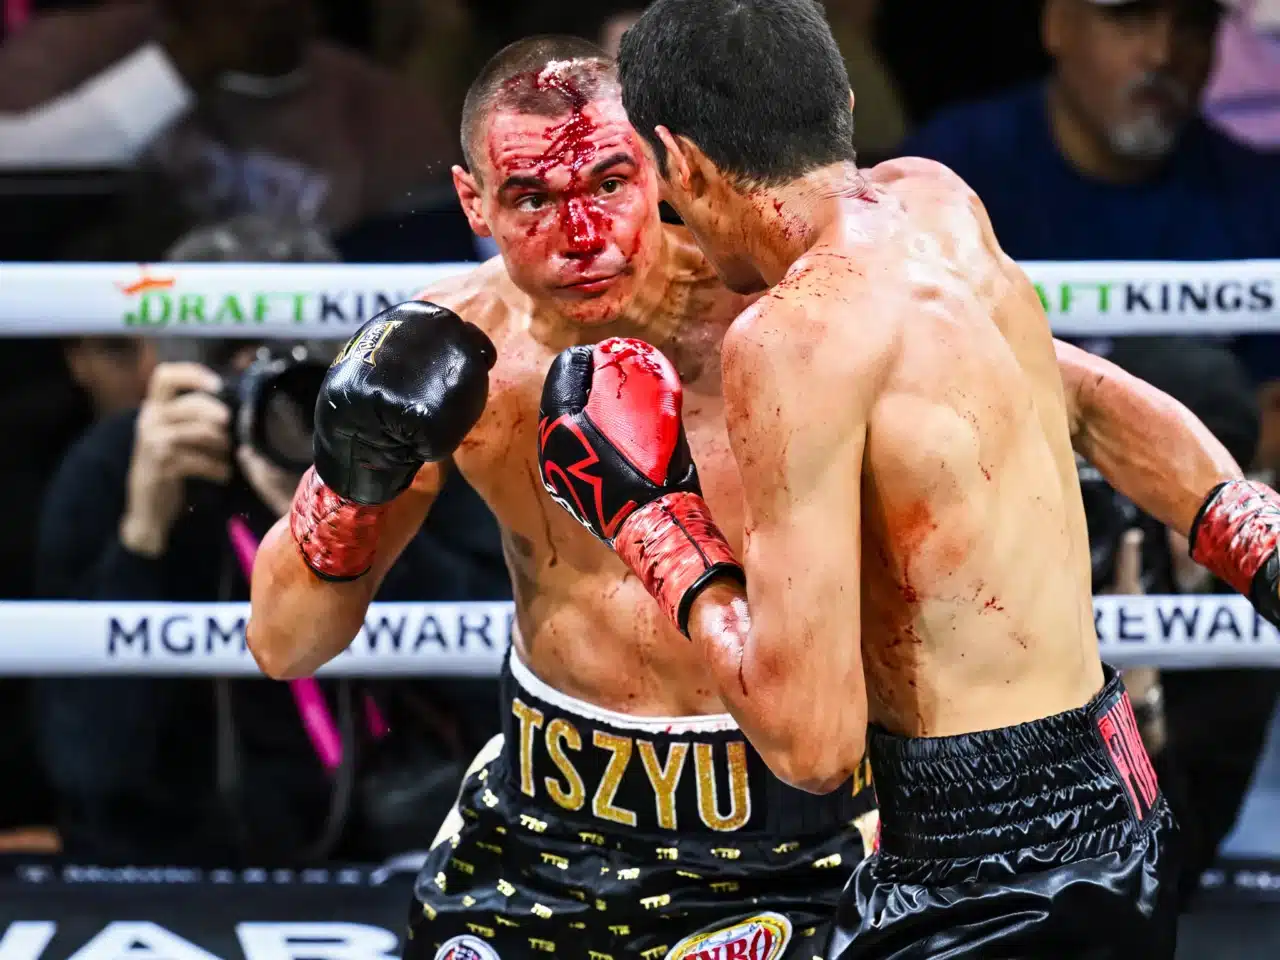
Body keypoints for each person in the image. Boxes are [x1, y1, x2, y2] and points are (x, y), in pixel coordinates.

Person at [528, 0, 1280, 954]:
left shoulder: (793, 336)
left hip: (982, 867)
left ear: (680, 164)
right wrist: (1249, 528)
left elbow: (813, 743)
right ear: (838, 100)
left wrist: (657, 529)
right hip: (1117, 793)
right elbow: (1084, 392)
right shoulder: (937, 200)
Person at [248, 36, 879, 960]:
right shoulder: (456, 357)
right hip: (547, 818)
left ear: (661, 170)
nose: (581, 237)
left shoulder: (788, 322)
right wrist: (351, 482)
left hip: (800, 819)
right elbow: (283, 642)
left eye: (609, 185)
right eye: (532, 199)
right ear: (472, 203)